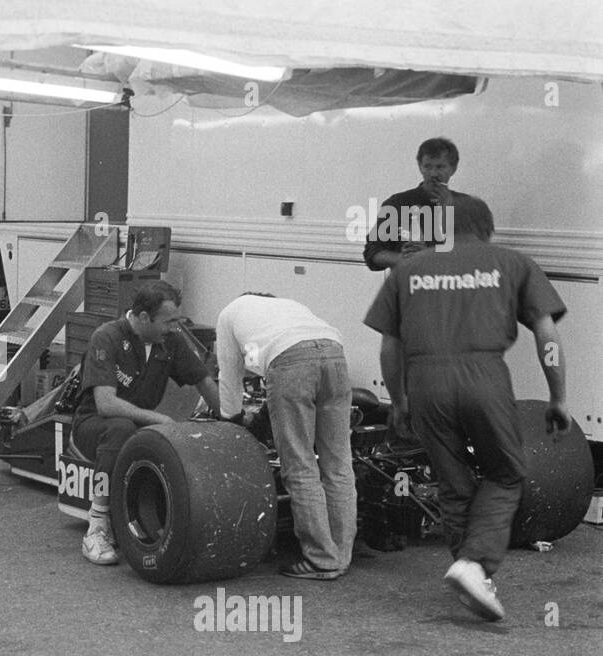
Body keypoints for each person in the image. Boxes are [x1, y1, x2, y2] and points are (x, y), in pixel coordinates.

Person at [363, 195, 569, 621]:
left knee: (453, 482)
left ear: (441, 229)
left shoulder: (407, 270)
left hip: (425, 382)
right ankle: (475, 566)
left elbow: (390, 344)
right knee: (506, 472)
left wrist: (398, 400)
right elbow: (546, 335)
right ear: (487, 228)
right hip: (483, 376)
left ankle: (467, 570)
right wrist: (558, 396)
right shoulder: (512, 263)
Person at [71, 281, 221, 565]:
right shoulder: (107, 337)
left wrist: (232, 419)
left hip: (138, 426)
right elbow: (106, 404)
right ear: (142, 317)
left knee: (177, 438)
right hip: (94, 424)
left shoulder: (172, 341)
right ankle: (97, 527)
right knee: (121, 428)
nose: (175, 327)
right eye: (169, 321)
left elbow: (202, 379)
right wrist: (162, 419)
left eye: (177, 320)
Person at [216, 293, 356, 580]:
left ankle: (321, 559)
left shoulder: (229, 314)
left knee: (300, 465)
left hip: (290, 360)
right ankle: (341, 555)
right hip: (335, 353)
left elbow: (229, 375)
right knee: (339, 464)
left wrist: (232, 419)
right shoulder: (288, 305)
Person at [363, 137, 469, 271]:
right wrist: (404, 258)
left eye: (440, 167)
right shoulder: (398, 204)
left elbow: (476, 255)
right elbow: (372, 252)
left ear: (453, 168)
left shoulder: (468, 206)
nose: (433, 174)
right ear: (420, 167)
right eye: (428, 166)